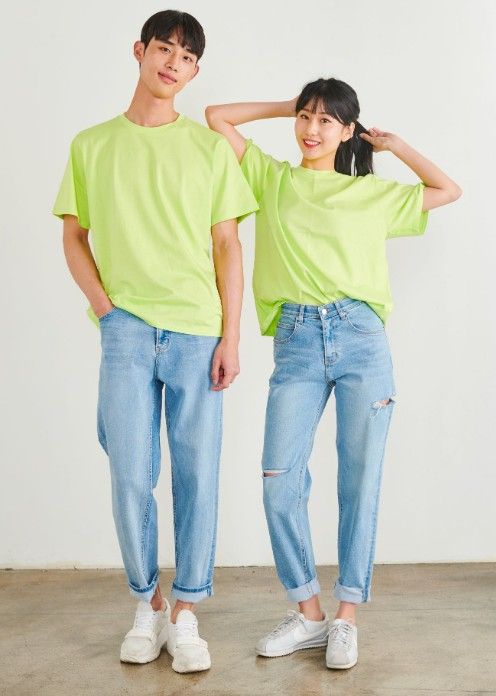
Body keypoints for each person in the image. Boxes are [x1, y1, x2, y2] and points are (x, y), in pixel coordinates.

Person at [206, 77, 461, 669]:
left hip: (361, 340)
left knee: (359, 480)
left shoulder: (371, 194)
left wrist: (395, 146)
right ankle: (308, 614)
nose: (311, 129)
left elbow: (448, 189)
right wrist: (287, 106)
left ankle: (346, 617)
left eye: (325, 120)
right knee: (279, 478)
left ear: (348, 131)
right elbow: (217, 116)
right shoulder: (273, 178)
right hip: (296, 342)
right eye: (306, 117)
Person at [52, 10, 257, 674]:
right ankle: (149, 603)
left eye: (187, 57)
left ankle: (187, 613)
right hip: (127, 331)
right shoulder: (91, 144)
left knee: (196, 474)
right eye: (165, 48)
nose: (174, 63)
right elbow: (73, 235)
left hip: (197, 329)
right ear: (139, 50)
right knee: (130, 473)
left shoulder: (208, 149)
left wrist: (231, 336)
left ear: (195, 71)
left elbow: (228, 246)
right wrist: (107, 312)